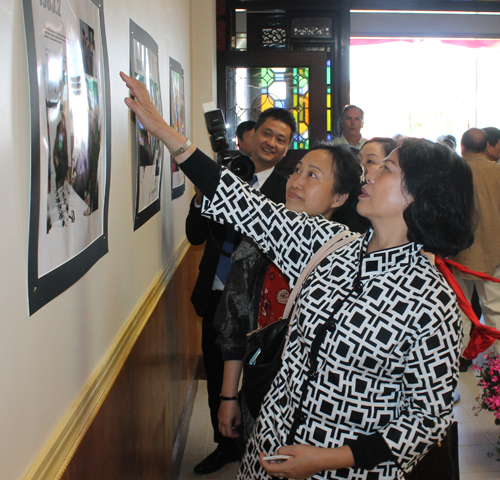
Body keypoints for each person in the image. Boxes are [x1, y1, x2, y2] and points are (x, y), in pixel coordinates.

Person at [121, 71, 476, 480]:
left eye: (386, 169)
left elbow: (425, 420)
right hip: (267, 448)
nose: (369, 175)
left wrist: (323, 459)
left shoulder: (432, 302)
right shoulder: (330, 244)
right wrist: (165, 132)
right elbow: (243, 205)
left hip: (342, 471)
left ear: (418, 196)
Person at [215, 143, 370, 444]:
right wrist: (228, 396)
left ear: (339, 197)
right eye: (297, 170)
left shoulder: (355, 262)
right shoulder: (256, 246)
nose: (296, 181)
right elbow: (234, 327)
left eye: (312, 175)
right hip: (262, 383)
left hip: (323, 406)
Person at [186, 106, 296, 474]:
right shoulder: (222, 177)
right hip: (216, 291)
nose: (271, 143)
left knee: (262, 376)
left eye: (281, 139)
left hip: (264, 304)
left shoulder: (289, 189)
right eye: (267, 133)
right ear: (251, 136)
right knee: (217, 372)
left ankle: (261, 441)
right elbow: (195, 236)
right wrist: (203, 197)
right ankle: (225, 445)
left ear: (287, 148)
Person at [452, 128, 500, 366]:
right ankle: (496, 362)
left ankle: (461, 357)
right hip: (494, 250)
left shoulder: (452, 173)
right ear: (487, 147)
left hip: (459, 251)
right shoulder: (498, 171)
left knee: (461, 308)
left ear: (463, 147)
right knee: (494, 309)